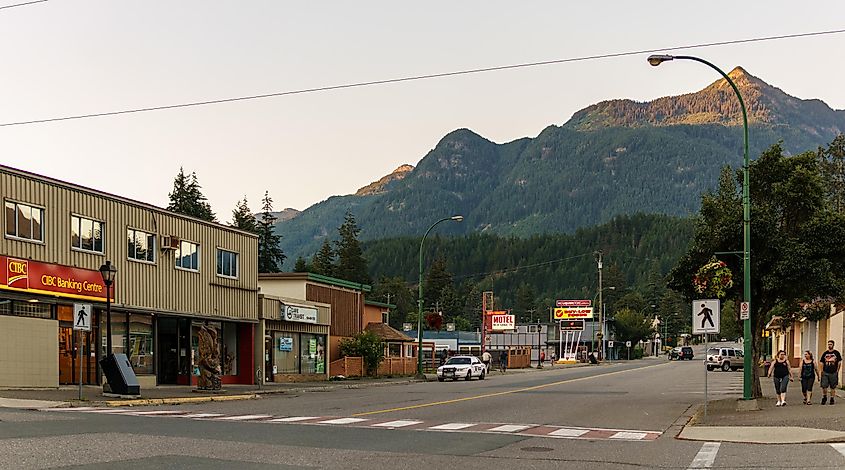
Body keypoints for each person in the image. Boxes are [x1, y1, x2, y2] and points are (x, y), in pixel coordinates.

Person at [820, 340, 842, 405]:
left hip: (833, 372)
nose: (829, 345)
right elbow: (821, 362)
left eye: (831, 344)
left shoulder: (836, 353)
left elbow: (839, 362)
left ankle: (832, 398)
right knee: (824, 386)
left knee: (833, 386)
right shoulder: (825, 353)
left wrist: (837, 370)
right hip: (825, 372)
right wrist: (821, 371)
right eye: (828, 344)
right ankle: (824, 396)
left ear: (833, 345)